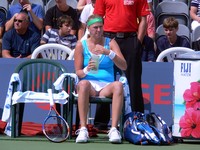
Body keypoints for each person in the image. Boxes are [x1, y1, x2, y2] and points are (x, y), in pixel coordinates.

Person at [74, 15, 127, 143]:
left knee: (118, 85)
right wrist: (87, 69)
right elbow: (78, 73)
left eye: (100, 27)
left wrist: (108, 52)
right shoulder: (81, 45)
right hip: (89, 85)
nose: (98, 30)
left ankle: (114, 129)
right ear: (88, 28)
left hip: (106, 86)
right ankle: (83, 129)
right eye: (95, 27)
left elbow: (124, 65)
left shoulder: (110, 42)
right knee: (83, 84)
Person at [94, 0, 150, 113]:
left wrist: (138, 42)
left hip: (130, 39)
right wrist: (97, 40)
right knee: (103, 78)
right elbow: (97, 18)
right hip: (108, 38)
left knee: (134, 81)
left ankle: (136, 117)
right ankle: (101, 122)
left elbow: (143, 19)